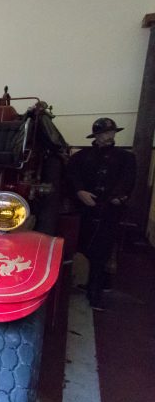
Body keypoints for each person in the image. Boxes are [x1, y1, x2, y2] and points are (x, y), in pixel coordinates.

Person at [67, 117, 136, 311]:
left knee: (103, 248)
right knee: (84, 244)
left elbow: (128, 179)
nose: (108, 136)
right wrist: (79, 191)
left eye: (111, 132)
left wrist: (119, 196)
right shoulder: (81, 156)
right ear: (96, 135)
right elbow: (72, 175)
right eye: (104, 133)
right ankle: (88, 282)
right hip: (86, 208)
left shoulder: (125, 157)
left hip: (110, 210)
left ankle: (95, 293)